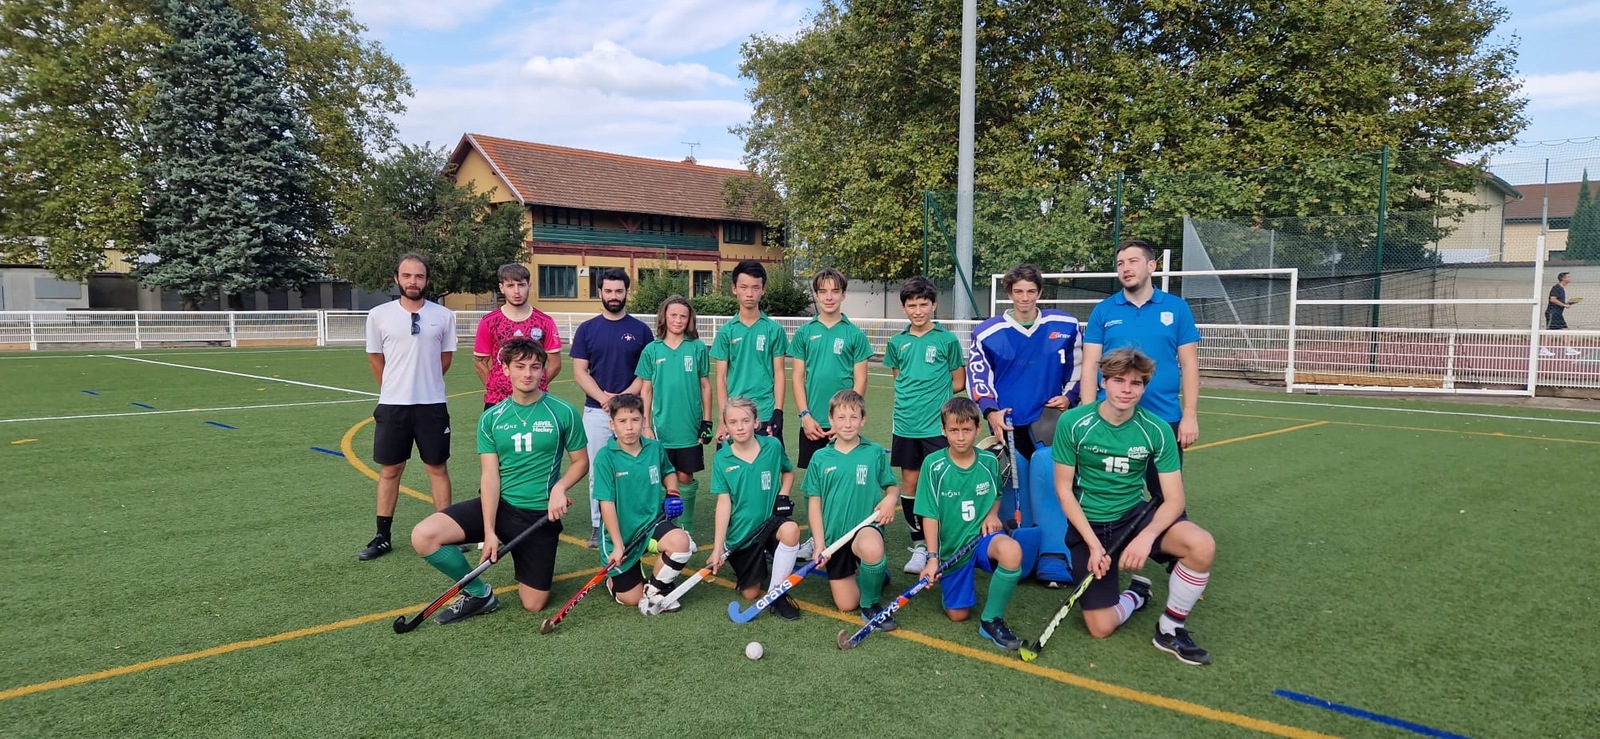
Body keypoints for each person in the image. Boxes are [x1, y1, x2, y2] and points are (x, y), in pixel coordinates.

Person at [1050, 348, 1217, 666]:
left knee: (1201, 545)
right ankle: (1136, 594)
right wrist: (1093, 544)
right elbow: (1063, 490)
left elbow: (1175, 499)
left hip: (1134, 518)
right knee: (1100, 628)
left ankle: (1170, 628)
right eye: (1118, 380)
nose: (1127, 389)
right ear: (1104, 382)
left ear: (1144, 387)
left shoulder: (1156, 430)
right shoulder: (1073, 422)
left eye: (1136, 383)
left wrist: (1146, 537)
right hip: (1091, 524)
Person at [407, 338, 587, 624]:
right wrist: (490, 531)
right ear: (505, 369)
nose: (527, 373)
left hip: (538, 516)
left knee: (534, 604)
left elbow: (581, 462)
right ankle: (479, 594)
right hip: (499, 505)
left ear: (544, 371)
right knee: (424, 535)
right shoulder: (492, 417)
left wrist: (559, 488)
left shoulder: (562, 412)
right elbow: (490, 477)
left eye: (535, 367)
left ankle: (525, 559)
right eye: (520, 366)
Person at [966, 263, 1081, 585]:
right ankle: (1018, 550)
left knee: (1049, 479)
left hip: (1048, 422)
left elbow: (1083, 366)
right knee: (1014, 484)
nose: (1025, 298)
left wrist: (1070, 397)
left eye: (1031, 291)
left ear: (1039, 293)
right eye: (1018, 292)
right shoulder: (988, 332)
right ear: (1009, 294)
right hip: (1007, 422)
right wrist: (990, 410)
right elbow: (979, 375)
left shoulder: (1065, 325)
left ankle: (1054, 553)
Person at [1080, 239, 1201, 501]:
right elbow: (1090, 365)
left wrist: (1189, 415)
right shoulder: (1104, 311)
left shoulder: (1176, 308)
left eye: (1133, 261)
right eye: (1121, 263)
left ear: (1151, 266)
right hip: (1111, 419)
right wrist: (1088, 413)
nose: (1125, 268)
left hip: (1164, 418)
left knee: (1167, 498)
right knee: (1110, 496)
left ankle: (1166, 540)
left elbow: (1190, 364)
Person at [359, 253, 457, 561]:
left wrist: (423, 383)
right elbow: (376, 359)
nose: (413, 281)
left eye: (419, 276)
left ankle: (448, 533)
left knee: (437, 468)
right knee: (391, 470)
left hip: (432, 406)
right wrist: (394, 387)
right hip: (393, 406)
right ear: (397, 279)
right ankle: (382, 536)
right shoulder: (378, 315)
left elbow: (445, 358)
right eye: (407, 276)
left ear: (427, 280)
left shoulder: (443, 316)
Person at [913, 397, 1028, 651]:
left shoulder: (988, 462)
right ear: (943, 430)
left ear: (978, 429)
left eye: (967, 430)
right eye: (954, 430)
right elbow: (929, 515)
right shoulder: (934, 465)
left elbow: (996, 495)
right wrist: (932, 558)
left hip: (981, 541)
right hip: (953, 550)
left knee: (1011, 551)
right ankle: (953, 586)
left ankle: (991, 620)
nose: (961, 437)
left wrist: (991, 515)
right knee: (957, 614)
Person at [884, 276, 966, 573]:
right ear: (904, 308)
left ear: (934, 305)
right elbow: (899, 378)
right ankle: (919, 545)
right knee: (910, 483)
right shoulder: (897, 342)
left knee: (943, 486)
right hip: (906, 426)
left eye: (923, 304)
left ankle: (944, 542)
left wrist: (934, 400)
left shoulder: (947, 340)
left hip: (936, 428)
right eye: (911, 305)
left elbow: (958, 382)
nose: (918, 310)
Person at [591, 394, 695, 614]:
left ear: (643, 421)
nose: (629, 427)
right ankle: (615, 582)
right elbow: (606, 504)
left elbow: (668, 472)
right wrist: (618, 545)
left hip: (651, 525)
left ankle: (654, 591)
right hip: (621, 533)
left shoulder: (654, 448)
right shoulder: (605, 457)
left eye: (635, 420)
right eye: (622, 421)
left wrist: (673, 493)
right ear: (612, 425)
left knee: (681, 542)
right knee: (630, 598)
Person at [803, 390, 899, 628]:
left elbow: (892, 487)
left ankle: (871, 604)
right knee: (847, 604)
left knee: (871, 547)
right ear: (831, 419)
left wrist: (890, 499)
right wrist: (819, 543)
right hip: (836, 538)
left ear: (863, 419)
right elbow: (814, 504)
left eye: (854, 417)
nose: (848, 424)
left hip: (865, 529)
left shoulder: (873, 452)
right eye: (842, 418)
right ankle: (875, 573)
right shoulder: (820, 458)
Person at [570, 268, 651, 548]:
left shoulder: (641, 330)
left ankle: (636, 520)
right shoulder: (587, 329)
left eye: (619, 291)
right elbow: (580, 371)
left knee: (636, 468)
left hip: (631, 413)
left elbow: (646, 373)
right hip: (596, 412)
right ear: (600, 292)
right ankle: (598, 525)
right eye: (608, 291)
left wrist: (623, 400)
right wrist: (606, 400)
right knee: (598, 469)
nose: (614, 296)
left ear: (627, 292)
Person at [708, 397, 803, 621]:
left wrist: (783, 494)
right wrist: (717, 547)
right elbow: (723, 503)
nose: (740, 427)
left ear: (756, 423)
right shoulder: (722, 458)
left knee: (791, 530)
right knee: (750, 593)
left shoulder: (772, 446)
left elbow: (788, 471)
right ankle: (755, 566)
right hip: (743, 534)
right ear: (726, 425)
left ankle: (777, 594)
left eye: (745, 420)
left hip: (771, 524)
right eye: (733, 422)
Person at [635, 295, 713, 530]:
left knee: (685, 476)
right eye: (673, 315)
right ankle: (667, 526)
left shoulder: (697, 347)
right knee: (661, 477)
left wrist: (707, 421)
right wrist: (646, 425)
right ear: (664, 317)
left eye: (683, 316)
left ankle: (685, 529)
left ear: (689, 319)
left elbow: (705, 386)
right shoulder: (652, 350)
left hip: (689, 426)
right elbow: (646, 390)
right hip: (661, 427)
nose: (678, 320)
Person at [791, 268, 872, 469]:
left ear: (843, 295)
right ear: (816, 295)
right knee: (814, 483)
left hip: (844, 423)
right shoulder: (804, 332)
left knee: (844, 477)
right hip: (813, 422)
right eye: (823, 292)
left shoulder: (855, 334)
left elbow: (861, 380)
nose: (829, 297)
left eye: (835, 291)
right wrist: (805, 416)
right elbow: (798, 378)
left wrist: (846, 420)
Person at [711, 260, 788, 445]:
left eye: (755, 287)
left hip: (766, 412)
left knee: (769, 470)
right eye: (744, 287)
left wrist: (778, 411)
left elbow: (779, 373)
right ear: (734, 289)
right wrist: (723, 418)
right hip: (735, 414)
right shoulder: (725, 332)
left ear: (763, 290)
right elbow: (721, 378)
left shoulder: (774, 330)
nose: (749, 293)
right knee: (732, 470)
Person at [474, 263, 562, 408]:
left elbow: (555, 364)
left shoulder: (544, 322)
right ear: (502, 287)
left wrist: (535, 384)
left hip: (535, 399)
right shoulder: (489, 322)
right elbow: (479, 362)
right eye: (510, 285)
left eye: (521, 285)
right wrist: (495, 386)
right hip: (498, 400)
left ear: (530, 286)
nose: (516, 291)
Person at [1542, 272, 1583, 357]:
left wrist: (1567, 303)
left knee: (1565, 330)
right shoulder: (1556, 287)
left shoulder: (1561, 288)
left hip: (1558, 313)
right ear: (1563, 278)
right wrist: (1564, 305)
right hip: (1552, 313)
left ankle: (1568, 349)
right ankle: (1543, 349)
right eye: (1568, 277)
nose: (1570, 278)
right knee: (1550, 331)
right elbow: (1552, 299)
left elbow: (1558, 301)